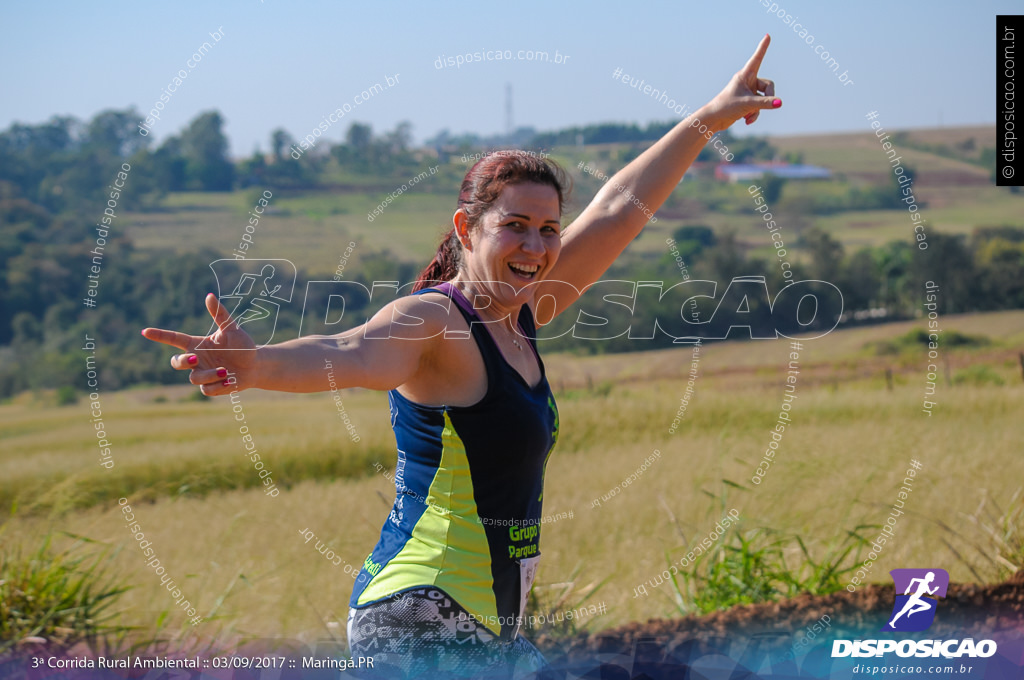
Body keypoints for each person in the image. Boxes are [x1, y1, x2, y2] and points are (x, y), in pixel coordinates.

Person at [141, 34, 781, 680]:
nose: (536, 244)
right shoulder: (435, 320)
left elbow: (618, 210)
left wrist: (712, 117)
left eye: (549, 228)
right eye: (515, 225)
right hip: (418, 619)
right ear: (465, 228)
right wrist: (257, 366)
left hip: (489, 632)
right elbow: (351, 351)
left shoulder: (523, 314)